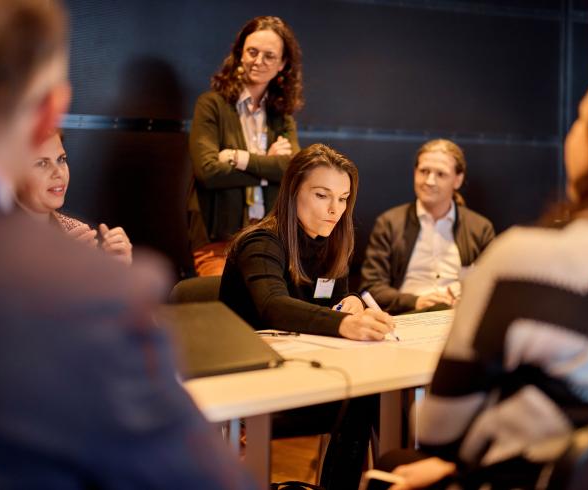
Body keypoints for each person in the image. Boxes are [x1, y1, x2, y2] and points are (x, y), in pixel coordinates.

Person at [377, 49, 588, 490]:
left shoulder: (527, 261)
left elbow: (439, 433)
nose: (571, 133)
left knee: (396, 463)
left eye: (581, 118)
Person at [0, 1, 254, 487]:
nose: (57, 172)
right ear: (49, 111)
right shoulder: (91, 292)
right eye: (45, 162)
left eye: (61, 161)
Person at [221, 143, 394, 489]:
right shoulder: (261, 243)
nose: (335, 210)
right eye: (322, 195)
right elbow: (274, 306)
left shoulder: (332, 242)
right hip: (251, 386)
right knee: (363, 399)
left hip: (306, 374)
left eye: (343, 199)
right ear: (293, 190)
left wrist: (353, 303)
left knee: (374, 395)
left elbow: (335, 297)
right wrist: (346, 323)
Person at [188, 15, 303, 277]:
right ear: (240, 53)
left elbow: (291, 170)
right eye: (252, 51)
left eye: (269, 56)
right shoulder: (212, 105)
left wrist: (239, 158)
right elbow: (208, 172)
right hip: (218, 239)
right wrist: (267, 166)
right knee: (225, 314)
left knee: (269, 312)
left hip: (269, 237)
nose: (258, 61)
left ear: (282, 64)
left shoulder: (281, 115)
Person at [361, 139, 495, 314]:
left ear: (458, 180)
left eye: (441, 174)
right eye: (424, 171)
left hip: (456, 318)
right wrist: (416, 301)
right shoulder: (389, 223)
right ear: (415, 173)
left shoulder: (480, 228)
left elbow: (491, 287)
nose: (430, 181)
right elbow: (372, 287)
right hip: (407, 316)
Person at [16, 130, 133, 265]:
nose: (58, 172)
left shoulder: (80, 232)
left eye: (61, 159)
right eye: (42, 163)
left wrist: (116, 269)